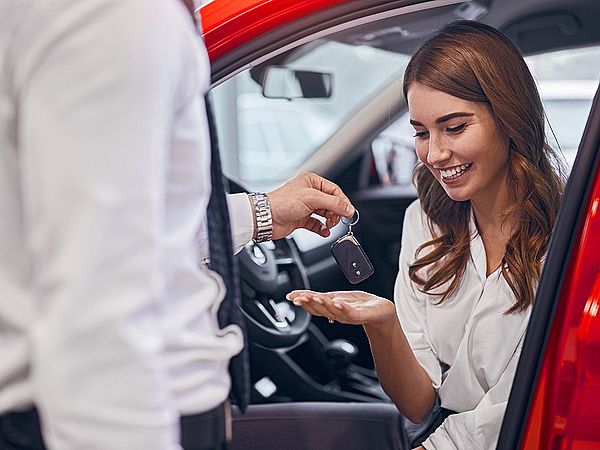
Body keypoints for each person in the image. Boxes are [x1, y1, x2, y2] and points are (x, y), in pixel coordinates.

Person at [0, 1, 354, 449]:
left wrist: (261, 213)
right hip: (127, 412)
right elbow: (104, 300)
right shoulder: (117, 16)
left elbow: (139, 234)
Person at [287, 20, 565, 449]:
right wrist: (383, 324)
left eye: (454, 127)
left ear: (509, 116)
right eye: (421, 132)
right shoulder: (424, 220)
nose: (434, 154)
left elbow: (516, 408)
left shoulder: (569, 238)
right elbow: (419, 404)